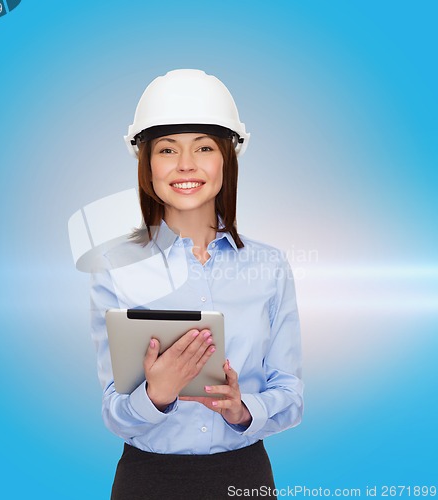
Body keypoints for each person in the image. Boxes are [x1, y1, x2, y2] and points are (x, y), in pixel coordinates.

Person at [90, 69, 303, 499]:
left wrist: (243, 409)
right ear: (146, 163)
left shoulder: (269, 266)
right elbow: (114, 411)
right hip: (146, 482)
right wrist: (156, 395)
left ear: (228, 157)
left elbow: (291, 393)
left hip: (244, 478)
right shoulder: (115, 266)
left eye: (204, 147)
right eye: (168, 149)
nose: (186, 164)